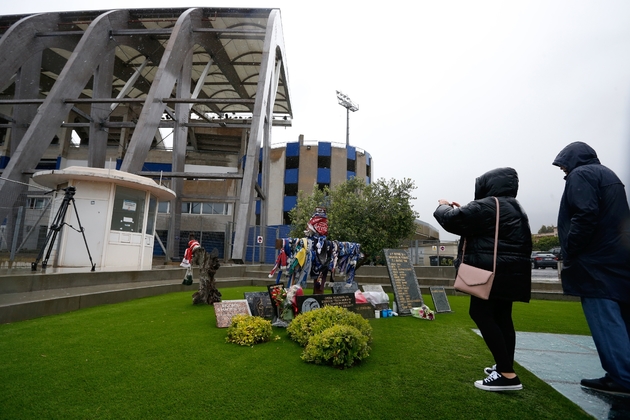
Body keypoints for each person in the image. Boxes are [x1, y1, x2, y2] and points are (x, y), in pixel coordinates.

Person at [433, 167, 532, 391]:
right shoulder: (514, 206)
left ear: (489, 185)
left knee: (479, 313)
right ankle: (504, 366)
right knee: (503, 317)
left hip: (490, 273)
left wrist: (443, 205)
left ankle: (507, 375)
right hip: (510, 273)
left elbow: (451, 221)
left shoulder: (489, 205)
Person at [552, 141, 630, 396]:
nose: (562, 169)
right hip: (615, 258)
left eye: (563, 163)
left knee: (604, 319)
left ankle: (621, 376)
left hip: (595, 262)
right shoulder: (609, 175)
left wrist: (571, 248)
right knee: (620, 318)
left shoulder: (581, 174)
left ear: (573, 159)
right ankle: (620, 373)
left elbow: (585, 215)